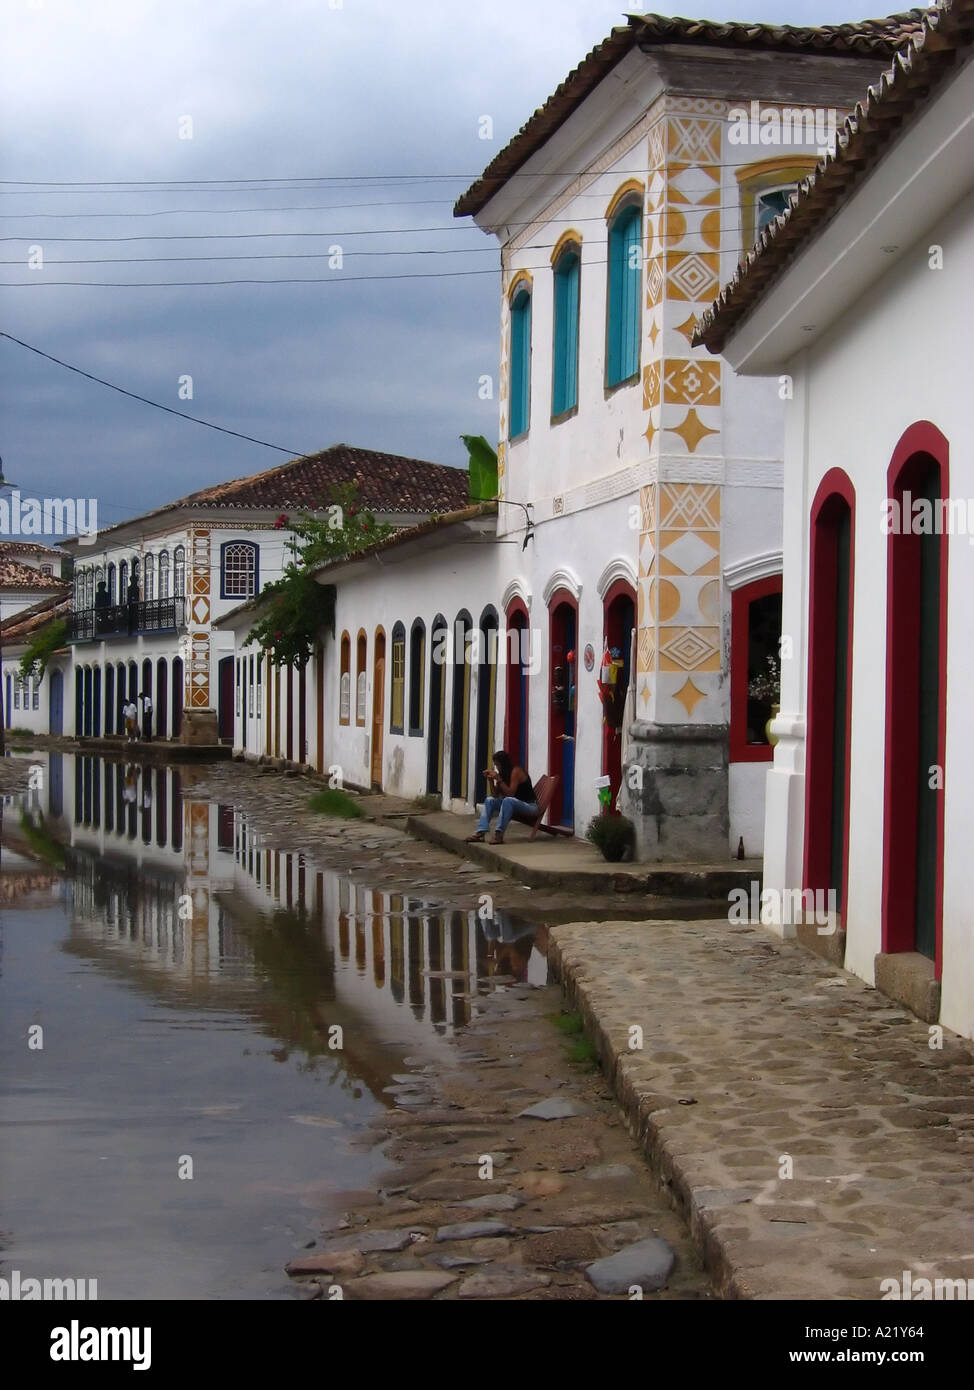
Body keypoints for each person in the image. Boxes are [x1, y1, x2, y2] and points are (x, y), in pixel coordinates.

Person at [466, 749, 537, 846]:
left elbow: (510, 794)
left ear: (504, 764)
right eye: (495, 765)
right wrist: (491, 780)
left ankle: (499, 834)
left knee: (508, 800)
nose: (497, 768)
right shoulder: (502, 774)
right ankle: (480, 832)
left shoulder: (516, 771)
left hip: (530, 806)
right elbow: (495, 795)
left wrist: (499, 779)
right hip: (513, 805)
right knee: (489, 800)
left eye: (498, 765)